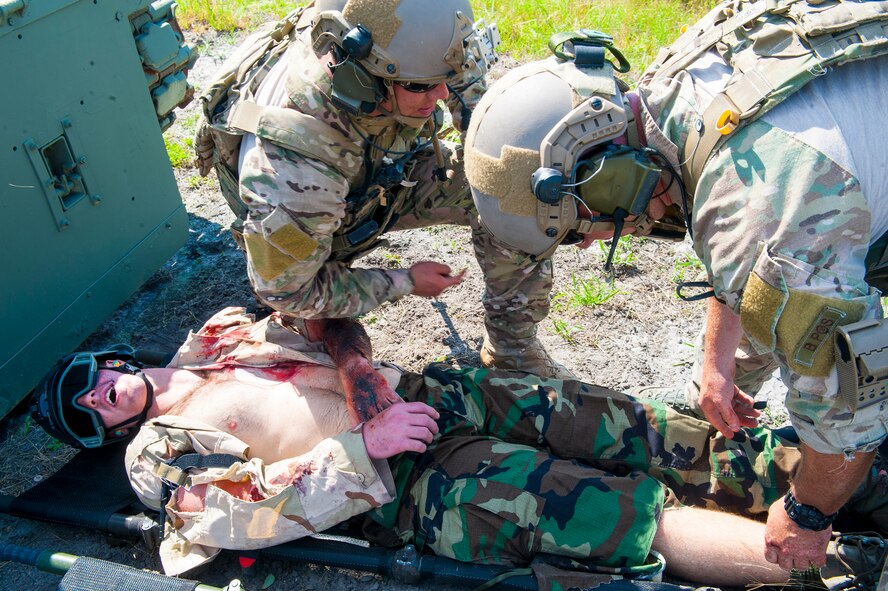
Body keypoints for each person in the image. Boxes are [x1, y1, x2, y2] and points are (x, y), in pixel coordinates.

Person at [461, 2, 888, 574]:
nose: (586, 243)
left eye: (576, 224)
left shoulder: (763, 221)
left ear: (604, 167)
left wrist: (808, 513)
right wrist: (717, 363)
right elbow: (737, 207)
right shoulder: (675, 85)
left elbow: (851, 416)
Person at [32, 307, 885, 588]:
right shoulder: (155, 454)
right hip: (409, 484)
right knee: (612, 512)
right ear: (101, 433)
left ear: (104, 361)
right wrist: (364, 444)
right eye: (86, 416)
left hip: (444, 395)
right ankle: (844, 562)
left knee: (660, 433)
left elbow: (323, 308)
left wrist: (355, 360)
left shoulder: (218, 332)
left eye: (90, 382)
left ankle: (853, 474)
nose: (99, 399)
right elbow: (225, 513)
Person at [194, 0, 574, 379]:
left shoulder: (400, 35)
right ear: (362, 79)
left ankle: (513, 350)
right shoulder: (297, 172)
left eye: (444, 77)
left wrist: (568, 218)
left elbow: (456, 82)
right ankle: (320, 273)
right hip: (318, 215)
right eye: (421, 86)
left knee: (507, 188)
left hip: (377, 168)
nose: (442, 94)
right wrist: (403, 280)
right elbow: (284, 290)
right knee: (308, 303)